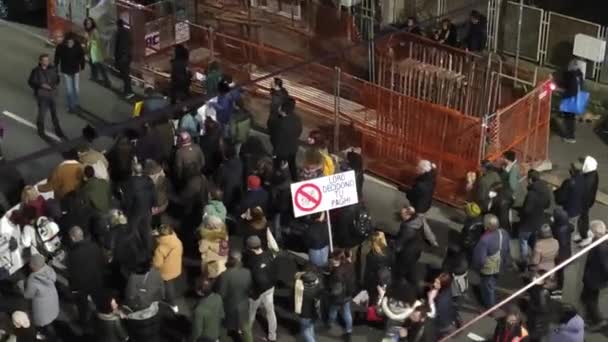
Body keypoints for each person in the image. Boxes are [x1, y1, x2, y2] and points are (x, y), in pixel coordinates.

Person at [66, 225, 107, 329]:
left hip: (82, 286)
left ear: (72, 238)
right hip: (96, 280)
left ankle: (84, 324)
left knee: (82, 306)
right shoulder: (94, 246)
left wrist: (73, 288)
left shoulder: (71, 254)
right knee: (100, 301)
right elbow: (103, 261)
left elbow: (71, 273)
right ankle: (104, 319)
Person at [244, 235, 278, 342]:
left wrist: (253, 293)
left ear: (250, 248)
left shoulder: (252, 262)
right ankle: (272, 336)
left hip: (257, 292)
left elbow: (256, 280)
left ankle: (246, 332)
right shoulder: (269, 254)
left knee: (251, 312)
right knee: (270, 311)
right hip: (270, 288)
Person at [472, 214, 511, 308]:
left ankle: (490, 306)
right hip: (500, 264)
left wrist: (477, 268)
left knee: (487, 288)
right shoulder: (504, 233)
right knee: (492, 282)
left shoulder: (484, 240)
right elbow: (507, 250)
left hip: (488, 269)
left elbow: (480, 260)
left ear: (486, 226)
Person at [120, 161, 157, 255]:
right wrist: (153, 205)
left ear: (133, 171)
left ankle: (132, 252)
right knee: (146, 231)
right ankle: (148, 251)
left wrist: (126, 211)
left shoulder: (130, 182)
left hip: (135, 211)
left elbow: (128, 199)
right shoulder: (148, 179)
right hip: (147, 209)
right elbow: (154, 194)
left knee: (132, 231)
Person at [123, 260, 164, 342]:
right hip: (154, 309)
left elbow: (130, 297)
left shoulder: (133, 277)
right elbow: (162, 291)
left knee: (141, 335)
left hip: (140, 312)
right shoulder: (156, 271)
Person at [217, 250, 254, 342]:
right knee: (246, 329)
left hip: (230, 306)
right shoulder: (247, 272)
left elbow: (222, 293)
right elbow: (249, 288)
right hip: (244, 305)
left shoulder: (225, 275)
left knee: (223, 326)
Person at [28, 53, 66, 139]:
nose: (47, 62)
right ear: (40, 61)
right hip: (42, 96)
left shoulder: (53, 69)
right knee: (42, 114)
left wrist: (54, 84)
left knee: (54, 114)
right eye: (44, 60)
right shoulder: (36, 71)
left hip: (51, 94)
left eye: (48, 60)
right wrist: (41, 85)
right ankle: (40, 130)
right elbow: (31, 82)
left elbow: (57, 80)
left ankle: (58, 130)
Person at [517, 170, 551, 264]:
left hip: (528, 223)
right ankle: (535, 259)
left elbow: (527, 210)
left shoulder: (531, 194)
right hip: (539, 221)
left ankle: (524, 261)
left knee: (523, 240)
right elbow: (547, 204)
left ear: (531, 179)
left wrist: (521, 213)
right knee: (535, 242)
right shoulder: (545, 188)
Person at [23, 254, 59, 340]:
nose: (29, 265)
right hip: (52, 304)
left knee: (46, 329)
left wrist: (21, 285)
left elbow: (28, 295)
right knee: (51, 323)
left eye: (31, 263)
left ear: (35, 266)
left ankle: (49, 338)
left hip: (43, 312)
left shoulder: (32, 280)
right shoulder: (49, 270)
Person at [581, 220, 608, 329]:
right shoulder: (601, 240)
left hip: (595, 278)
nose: (589, 233)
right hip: (594, 277)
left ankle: (598, 320)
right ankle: (590, 315)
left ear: (596, 233)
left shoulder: (601, 247)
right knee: (590, 297)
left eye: (591, 232)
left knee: (591, 300)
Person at [406, 160, 438, 246]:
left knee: (409, 225)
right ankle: (432, 240)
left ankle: (408, 241)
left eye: (418, 168)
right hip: (425, 205)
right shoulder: (431, 177)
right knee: (423, 223)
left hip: (418, 208)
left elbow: (411, 195)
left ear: (423, 170)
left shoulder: (421, 185)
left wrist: (408, 191)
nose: (416, 169)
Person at [269, 97, 302, 181]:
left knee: (277, 166)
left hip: (281, 151)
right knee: (292, 164)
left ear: (283, 110)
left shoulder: (279, 123)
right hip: (293, 147)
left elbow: (276, 140)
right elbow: (299, 132)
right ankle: (295, 180)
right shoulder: (297, 118)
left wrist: (275, 153)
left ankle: (278, 179)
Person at [152, 224, 183, 313]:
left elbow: (157, 264)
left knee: (169, 288)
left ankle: (173, 304)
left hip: (166, 272)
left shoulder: (160, 248)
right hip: (176, 266)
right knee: (172, 283)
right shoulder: (176, 240)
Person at [326, 251, 355, 341]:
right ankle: (349, 330)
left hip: (338, 297)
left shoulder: (336, 274)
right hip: (348, 294)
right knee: (347, 312)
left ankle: (330, 323)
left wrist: (328, 292)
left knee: (333, 310)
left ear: (335, 260)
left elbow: (335, 291)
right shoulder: (349, 265)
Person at [53, 32, 85, 113]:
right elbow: (57, 57)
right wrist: (56, 67)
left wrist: (82, 65)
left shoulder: (77, 46)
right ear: (66, 41)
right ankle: (71, 107)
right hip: (66, 71)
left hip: (75, 70)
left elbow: (81, 56)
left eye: (72, 42)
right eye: (69, 42)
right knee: (69, 90)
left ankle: (75, 103)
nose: (70, 43)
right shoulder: (61, 47)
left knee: (76, 89)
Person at [554, 162, 585, 238]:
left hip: (569, 210)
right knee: (574, 228)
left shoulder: (568, 182)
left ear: (573, 171)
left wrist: (555, 191)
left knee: (566, 231)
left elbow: (561, 197)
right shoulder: (584, 180)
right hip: (579, 209)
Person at [394, 206, 423, 285]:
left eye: (402, 214)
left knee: (400, 269)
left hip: (407, 254)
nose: (401, 216)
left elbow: (398, 247)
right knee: (409, 266)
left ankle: (398, 282)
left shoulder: (407, 229)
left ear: (408, 216)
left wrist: (392, 246)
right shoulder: (417, 220)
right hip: (416, 249)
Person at [192, 276, 224, 342]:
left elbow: (197, 332)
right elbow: (222, 315)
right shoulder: (218, 298)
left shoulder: (199, 310)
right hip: (216, 333)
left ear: (199, 292)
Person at [294, 271, 322, 342]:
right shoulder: (318, 288)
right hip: (314, 313)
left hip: (305, 315)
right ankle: (312, 339)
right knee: (310, 327)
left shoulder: (301, 291)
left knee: (305, 331)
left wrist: (298, 278)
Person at [551, 208, 573, 298]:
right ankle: (558, 286)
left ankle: (559, 290)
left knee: (560, 272)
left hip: (560, 255)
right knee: (560, 271)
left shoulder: (557, 229)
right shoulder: (568, 225)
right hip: (567, 252)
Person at [577, 155, 598, 247]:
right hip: (587, 202)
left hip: (584, 203)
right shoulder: (593, 174)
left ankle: (585, 236)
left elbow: (584, 193)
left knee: (583, 219)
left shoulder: (588, 179)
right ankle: (583, 233)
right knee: (583, 218)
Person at [561, 62, 584, 143]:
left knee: (568, 119)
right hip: (576, 99)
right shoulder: (579, 75)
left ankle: (570, 137)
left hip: (569, 99)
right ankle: (571, 135)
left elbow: (566, 85)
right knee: (571, 118)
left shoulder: (570, 75)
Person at [84, 17, 111, 87]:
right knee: (92, 64)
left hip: (95, 51)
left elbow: (97, 41)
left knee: (100, 66)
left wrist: (90, 41)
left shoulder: (94, 31)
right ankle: (94, 76)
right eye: (87, 23)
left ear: (92, 23)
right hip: (90, 51)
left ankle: (107, 81)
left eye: (89, 23)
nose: (88, 24)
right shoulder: (88, 31)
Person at [527, 271, 552, 342]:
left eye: (537, 277)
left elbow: (543, 309)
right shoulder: (535, 287)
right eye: (534, 276)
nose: (534, 278)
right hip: (532, 319)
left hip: (537, 323)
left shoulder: (543, 292)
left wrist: (531, 304)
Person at [114, 19, 134, 99]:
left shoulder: (119, 33)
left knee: (125, 75)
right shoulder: (127, 32)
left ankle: (129, 91)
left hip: (122, 57)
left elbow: (118, 46)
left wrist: (116, 56)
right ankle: (127, 90)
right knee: (126, 74)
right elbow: (131, 43)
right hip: (128, 56)